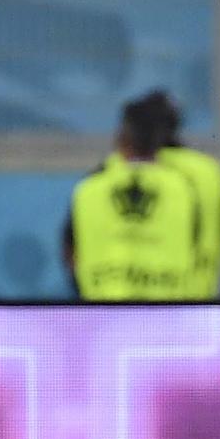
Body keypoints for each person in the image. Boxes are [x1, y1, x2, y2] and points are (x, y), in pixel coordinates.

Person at [63, 97, 200, 300]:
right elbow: (196, 247)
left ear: (121, 137)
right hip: (167, 318)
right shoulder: (183, 190)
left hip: (103, 316)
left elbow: (70, 252)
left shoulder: (89, 189)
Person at [137, 90, 220, 300]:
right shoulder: (208, 174)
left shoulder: (114, 172)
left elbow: (73, 245)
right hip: (193, 312)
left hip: (118, 313)